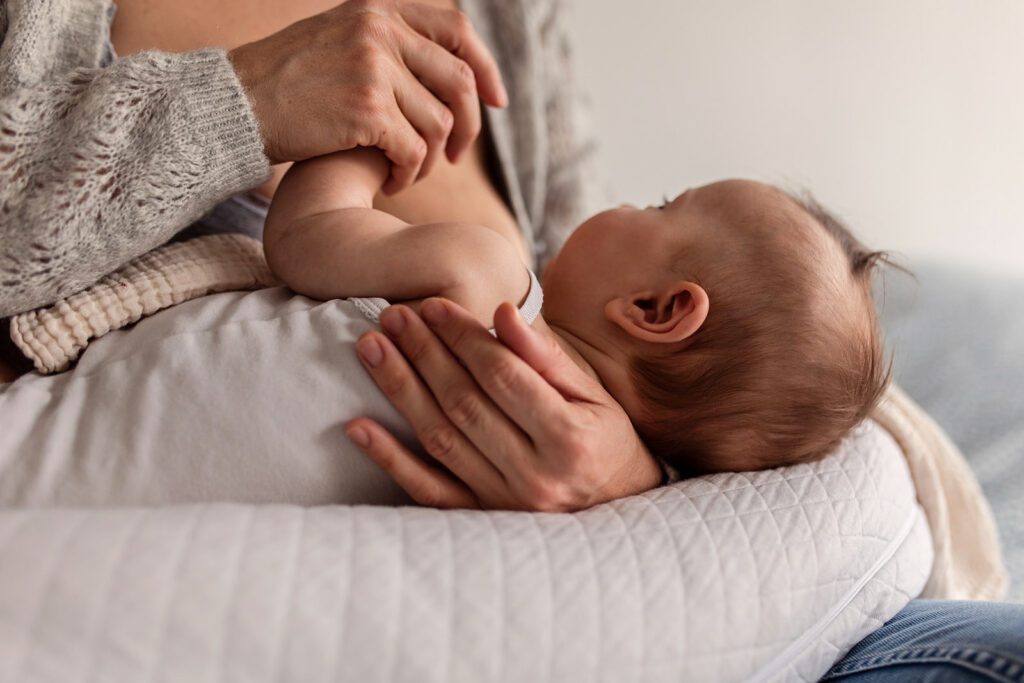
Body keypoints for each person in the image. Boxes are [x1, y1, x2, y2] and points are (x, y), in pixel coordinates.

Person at [0, 0, 1020, 678]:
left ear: (661, 311)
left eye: (660, 199)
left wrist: (634, 475)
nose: (636, 194)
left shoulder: (500, 269)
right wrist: (259, 106)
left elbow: (319, 237)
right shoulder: (494, 276)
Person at [264, 145, 889, 486]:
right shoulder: (583, 485)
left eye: (662, 205)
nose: (623, 200)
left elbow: (302, 235)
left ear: (655, 308)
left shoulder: (482, 272)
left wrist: (370, 140)